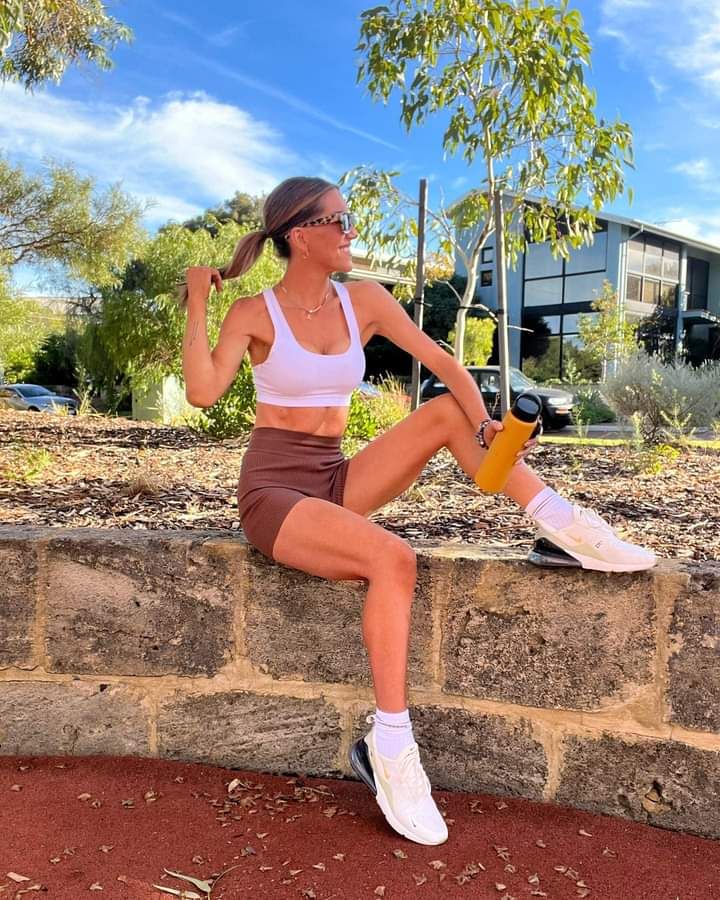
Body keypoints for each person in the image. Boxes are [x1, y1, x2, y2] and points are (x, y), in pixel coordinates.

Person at [180, 176, 656, 847]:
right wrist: (200, 303)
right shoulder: (253, 313)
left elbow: (445, 364)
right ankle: (391, 747)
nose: (350, 231)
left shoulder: (365, 301)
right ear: (300, 235)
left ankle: (561, 523)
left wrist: (487, 424)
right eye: (338, 221)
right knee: (392, 558)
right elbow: (203, 391)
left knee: (446, 414)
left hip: (334, 477)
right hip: (274, 493)